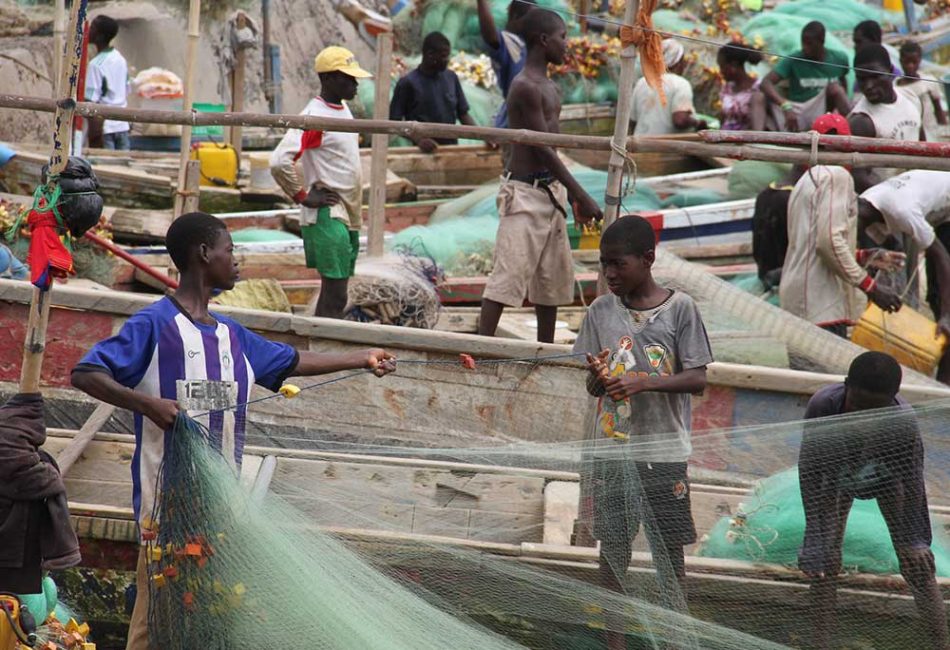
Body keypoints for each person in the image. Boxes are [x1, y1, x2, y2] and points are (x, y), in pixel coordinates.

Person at [70, 212, 396, 650]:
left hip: (223, 507)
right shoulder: (155, 325)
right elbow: (87, 372)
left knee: (209, 614)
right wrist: (145, 403)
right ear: (204, 254)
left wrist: (362, 358)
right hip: (165, 510)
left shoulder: (232, 336)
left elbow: (291, 360)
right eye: (230, 250)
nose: (236, 260)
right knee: (155, 619)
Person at [574, 215, 713, 650]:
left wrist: (643, 381)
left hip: (663, 451)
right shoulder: (600, 311)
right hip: (613, 452)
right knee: (613, 549)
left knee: (669, 550)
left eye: (619, 264)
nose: (610, 275)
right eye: (604, 266)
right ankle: (614, 640)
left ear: (648, 259)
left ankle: (674, 637)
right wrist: (600, 379)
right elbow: (591, 381)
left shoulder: (680, 309)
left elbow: (697, 379)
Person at [799, 351, 949, 650]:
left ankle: (941, 643)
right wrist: (814, 537)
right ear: (846, 387)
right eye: (857, 405)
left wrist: (913, 540)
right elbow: (811, 473)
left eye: (874, 410)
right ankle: (820, 644)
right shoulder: (824, 406)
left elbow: (911, 480)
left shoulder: (902, 420)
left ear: (892, 400)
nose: (863, 416)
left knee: (917, 563)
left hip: (886, 478)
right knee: (825, 561)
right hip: (836, 477)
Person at [477, 8, 602, 343]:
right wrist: (581, 194)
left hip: (550, 194)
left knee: (551, 281)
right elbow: (543, 147)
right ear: (543, 40)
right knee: (508, 276)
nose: (567, 45)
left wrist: (566, 192)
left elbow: (553, 149)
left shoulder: (549, 85)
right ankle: (476, 349)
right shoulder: (525, 86)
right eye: (562, 37)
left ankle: (544, 351)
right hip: (525, 195)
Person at [779, 114, 903, 337]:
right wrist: (871, 288)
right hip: (821, 306)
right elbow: (827, 244)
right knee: (826, 372)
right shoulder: (835, 175)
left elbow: (816, 244)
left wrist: (865, 255)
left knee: (807, 372)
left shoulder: (806, 179)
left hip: (799, 300)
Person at [270, 46, 370, 319]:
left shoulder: (342, 109)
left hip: (346, 211)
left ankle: (323, 347)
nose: (355, 83)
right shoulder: (315, 117)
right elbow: (280, 160)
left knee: (335, 292)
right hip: (328, 213)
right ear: (328, 79)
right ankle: (328, 351)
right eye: (347, 78)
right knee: (337, 293)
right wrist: (302, 196)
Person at [858, 171, 950, 383]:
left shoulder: (901, 210)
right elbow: (893, 246)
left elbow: (942, 258)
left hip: (944, 213)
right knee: (938, 296)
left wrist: (947, 314)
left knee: (944, 308)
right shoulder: (870, 202)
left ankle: (943, 389)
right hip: (936, 211)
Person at [849, 44, 923, 191]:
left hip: (916, 188)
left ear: (890, 72)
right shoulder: (862, 121)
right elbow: (858, 178)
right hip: (882, 201)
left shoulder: (911, 98)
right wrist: (896, 197)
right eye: (862, 79)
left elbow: (923, 146)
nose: (868, 86)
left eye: (875, 77)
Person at [390, 31, 477, 153]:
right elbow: (395, 122)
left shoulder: (451, 78)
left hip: (451, 151)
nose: (447, 60)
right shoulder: (408, 83)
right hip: (421, 154)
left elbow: (463, 114)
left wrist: (484, 136)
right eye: (443, 56)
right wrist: (419, 140)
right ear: (430, 54)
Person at [760, 21, 850, 133]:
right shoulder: (794, 59)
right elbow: (765, 83)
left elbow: (843, 80)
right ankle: (755, 139)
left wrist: (843, 101)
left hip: (821, 112)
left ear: (822, 41)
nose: (804, 47)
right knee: (758, 96)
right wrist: (784, 105)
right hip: (796, 111)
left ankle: (850, 134)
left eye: (809, 43)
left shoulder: (839, 59)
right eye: (803, 42)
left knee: (836, 89)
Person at [477, 0, 536, 130]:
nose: (534, 24)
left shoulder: (525, 44)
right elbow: (491, 37)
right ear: (515, 16)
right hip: (510, 123)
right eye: (531, 19)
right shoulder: (507, 41)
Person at [629, 39, 706, 136]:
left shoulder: (642, 82)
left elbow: (632, 121)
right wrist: (697, 123)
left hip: (639, 146)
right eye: (682, 61)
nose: (684, 65)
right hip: (666, 148)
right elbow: (680, 120)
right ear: (677, 62)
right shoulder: (681, 84)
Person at [85, 15, 131, 150]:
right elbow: (126, 89)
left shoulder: (96, 65)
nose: (88, 30)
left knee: (105, 168)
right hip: (122, 126)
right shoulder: (120, 59)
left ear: (99, 36)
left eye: (92, 28)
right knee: (123, 169)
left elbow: (91, 101)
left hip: (106, 129)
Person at [897, 41, 948, 142]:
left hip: (932, 131)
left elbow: (938, 109)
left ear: (920, 61)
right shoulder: (896, 88)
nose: (910, 66)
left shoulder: (928, 82)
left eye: (914, 62)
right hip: (910, 135)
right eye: (907, 62)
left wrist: (944, 129)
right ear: (900, 61)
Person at [718, 42, 766, 132]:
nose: (721, 71)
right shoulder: (727, 88)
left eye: (722, 67)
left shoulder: (758, 88)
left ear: (733, 65)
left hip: (746, 140)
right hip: (725, 139)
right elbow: (724, 119)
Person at [852, 19, 902, 84]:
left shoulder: (890, 59)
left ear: (874, 39)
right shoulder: (863, 66)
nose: (855, 47)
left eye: (859, 42)